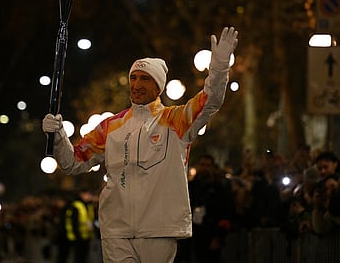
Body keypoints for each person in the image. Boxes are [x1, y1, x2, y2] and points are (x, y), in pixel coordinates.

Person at [42, 26, 239, 262]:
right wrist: (58, 137)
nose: (136, 85)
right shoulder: (110, 126)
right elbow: (73, 162)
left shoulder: (175, 121)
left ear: (158, 86)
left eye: (145, 79)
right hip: (116, 229)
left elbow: (210, 101)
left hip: (159, 228)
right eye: (133, 78)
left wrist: (219, 68)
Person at [56, 188, 96, 263]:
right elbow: (73, 222)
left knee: (82, 257)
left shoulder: (88, 205)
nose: (90, 196)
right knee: (76, 257)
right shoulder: (77, 205)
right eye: (88, 194)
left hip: (86, 235)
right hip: (78, 236)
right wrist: (76, 234)